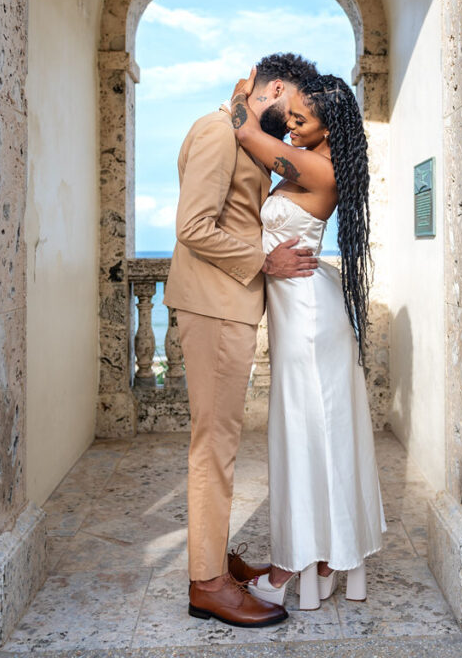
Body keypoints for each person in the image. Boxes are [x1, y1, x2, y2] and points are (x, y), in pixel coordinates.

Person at [163, 52, 319, 628]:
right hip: (212, 305)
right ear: (272, 86)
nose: (296, 115)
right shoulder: (214, 130)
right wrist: (264, 260)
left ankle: (216, 565)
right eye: (294, 104)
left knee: (220, 443)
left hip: (226, 305)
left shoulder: (239, 130)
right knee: (214, 448)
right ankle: (207, 585)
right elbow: (192, 225)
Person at [229, 68, 386, 610]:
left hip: (310, 317)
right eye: (289, 119)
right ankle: (330, 560)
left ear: (329, 126)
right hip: (301, 307)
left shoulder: (321, 168)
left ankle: (288, 567)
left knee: (306, 435)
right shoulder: (315, 162)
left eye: (300, 119)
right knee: (320, 435)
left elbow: (246, 133)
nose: (291, 128)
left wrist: (241, 95)